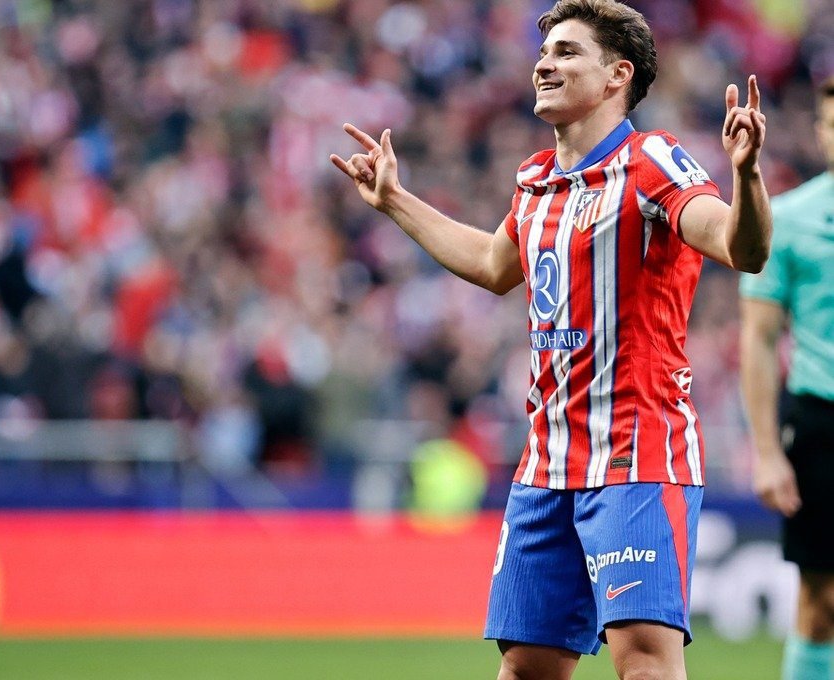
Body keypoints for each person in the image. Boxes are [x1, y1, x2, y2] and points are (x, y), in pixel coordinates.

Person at [330, 0, 771, 677]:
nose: (544, 64)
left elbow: (742, 248)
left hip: (635, 457)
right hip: (545, 466)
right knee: (526, 668)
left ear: (618, 74)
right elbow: (492, 265)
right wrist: (394, 199)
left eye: (566, 52)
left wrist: (746, 175)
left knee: (645, 664)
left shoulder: (653, 161)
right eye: (543, 53)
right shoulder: (537, 179)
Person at [739, 75, 834, 680]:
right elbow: (758, 337)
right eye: (832, 125)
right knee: (820, 604)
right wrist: (768, 452)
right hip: (821, 419)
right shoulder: (790, 218)